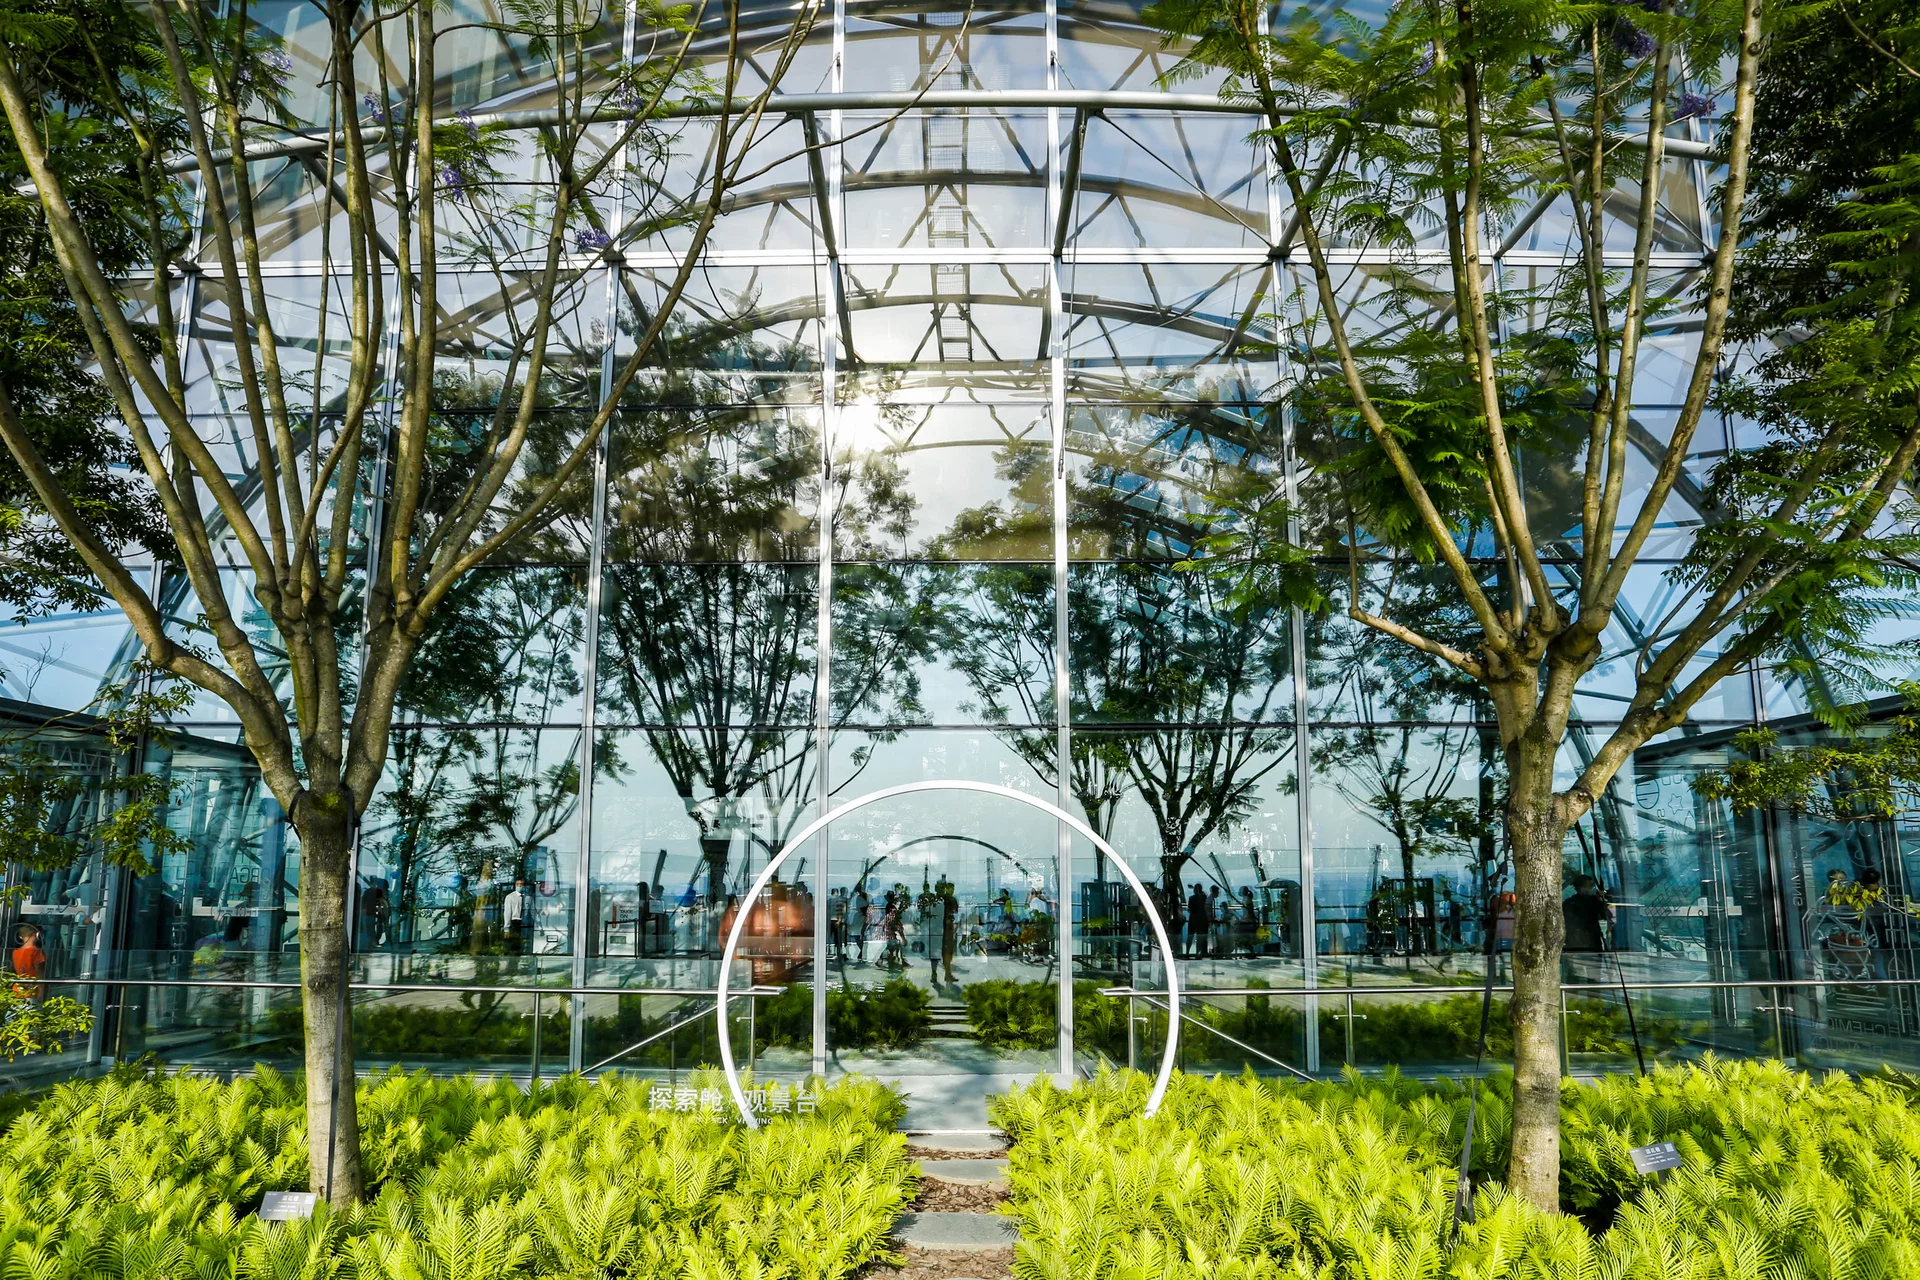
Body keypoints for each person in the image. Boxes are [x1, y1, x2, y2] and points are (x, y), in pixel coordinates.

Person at [1562, 876, 1613, 953]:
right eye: (1590, 885)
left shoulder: (1568, 902)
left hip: (1574, 944)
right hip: (1591, 943)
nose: (1593, 888)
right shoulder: (1593, 901)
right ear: (1582, 887)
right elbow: (1606, 915)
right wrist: (1601, 900)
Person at [10, 925, 46, 1000]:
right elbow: (40, 972)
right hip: (33, 990)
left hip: (18, 990)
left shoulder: (15, 952)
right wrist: (42, 991)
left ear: (20, 937)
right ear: (37, 934)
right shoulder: (36, 951)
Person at [503, 877, 534, 954]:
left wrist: (539, 926)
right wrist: (506, 928)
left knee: (525, 943)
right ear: (515, 885)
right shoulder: (510, 897)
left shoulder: (528, 898)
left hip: (526, 923)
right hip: (515, 921)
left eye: (521, 884)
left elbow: (533, 912)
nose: (519, 886)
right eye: (518, 884)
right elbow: (507, 912)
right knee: (515, 944)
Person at [1187, 883, 1211, 959]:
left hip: (1193, 919)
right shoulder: (1204, 897)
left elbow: (1190, 909)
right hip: (1201, 920)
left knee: (1190, 936)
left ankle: (1187, 952)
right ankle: (1198, 954)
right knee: (1199, 937)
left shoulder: (1191, 898)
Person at [850, 884, 870, 962]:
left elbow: (864, 908)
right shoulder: (864, 896)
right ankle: (861, 951)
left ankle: (861, 951)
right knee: (859, 934)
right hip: (861, 916)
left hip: (861, 917)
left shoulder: (860, 897)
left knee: (858, 934)